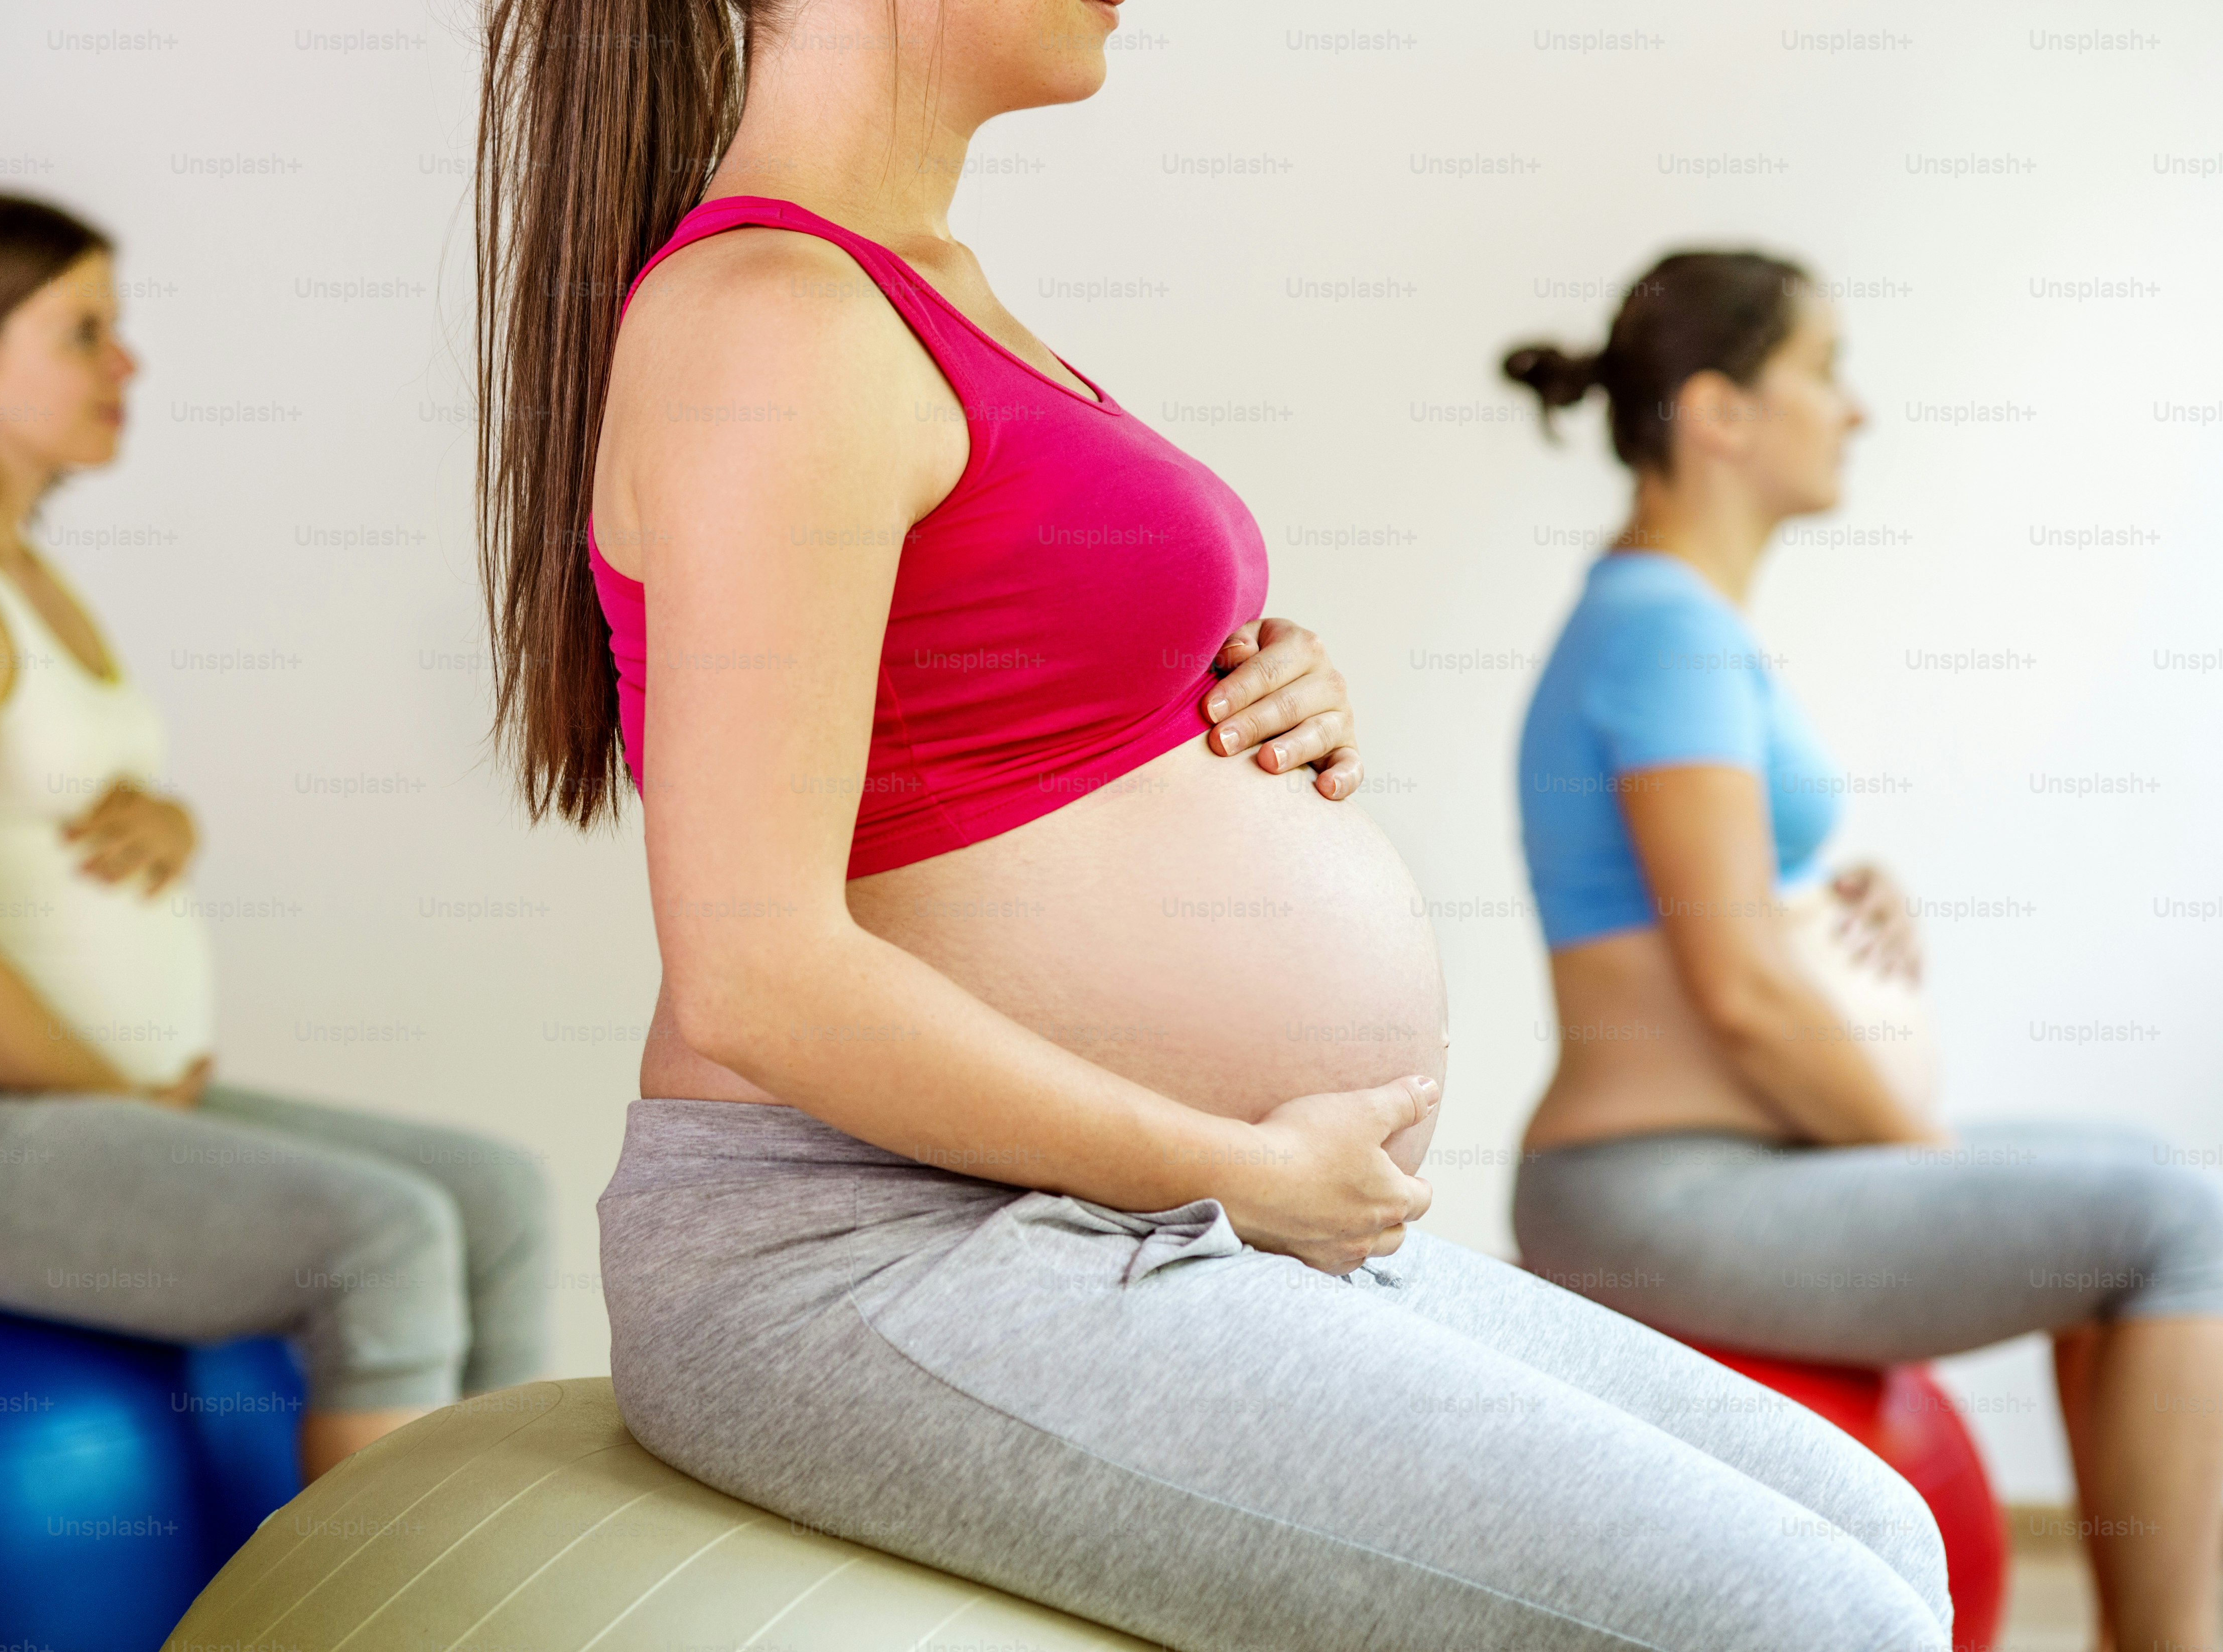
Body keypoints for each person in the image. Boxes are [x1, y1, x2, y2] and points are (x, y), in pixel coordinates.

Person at [473, 4, 1953, 1647]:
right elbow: (757, 973)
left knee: (1879, 1534)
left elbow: (986, 691)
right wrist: (1236, 1169)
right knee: (1812, 1622)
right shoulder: (771, 320)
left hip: (1109, 1214)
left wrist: (1235, 691)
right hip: (872, 1243)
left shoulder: (922, 288)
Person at [0, 190, 551, 1482]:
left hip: (48, 1092)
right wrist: (132, 1106)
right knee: (379, 1236)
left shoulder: (17, 576)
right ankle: (383, 1618)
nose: (129, 363)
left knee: (495, 1196)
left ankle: (498, 1570)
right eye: (84, 331)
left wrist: (169, 817)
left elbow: (50, 798)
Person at [1502, 249, 2223, 1652]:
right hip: (1655, 1199)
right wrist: (1931, 1163)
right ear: (1719, 412)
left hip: (1708, 1170)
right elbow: (1746, 996)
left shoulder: (1664, 621)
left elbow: (1729, 920)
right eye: (1824, 373)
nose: (1855, 412)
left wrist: (1833, 893)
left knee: (2138, 1181)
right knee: (2175, 1224)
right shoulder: (1665, 629)